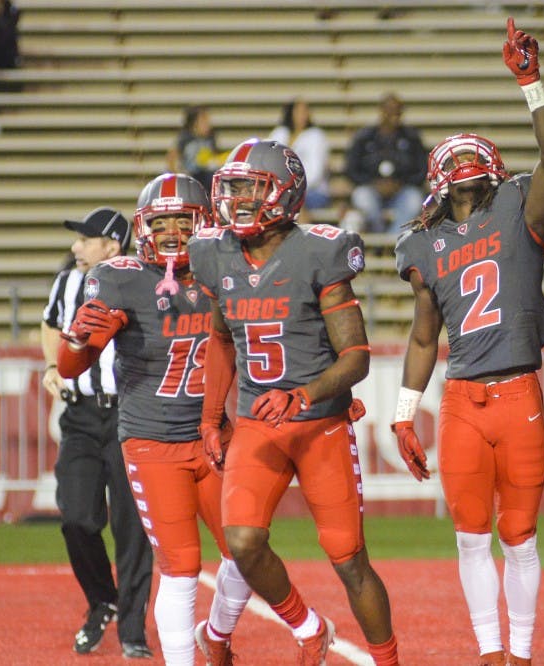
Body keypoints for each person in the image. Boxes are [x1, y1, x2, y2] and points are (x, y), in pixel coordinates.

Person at [391, 18, 544, 666]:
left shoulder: (521, 208)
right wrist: (406, 413)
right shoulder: (423, 243)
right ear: (443, 179)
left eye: (474, 167)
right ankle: (491, 654)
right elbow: (422, 334)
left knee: (518, 534)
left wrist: (532, 84)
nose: (467, 174)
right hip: (464, 399)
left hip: (517, 389)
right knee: (470, 536)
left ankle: (519, 654)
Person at [190, 138, 401, 666]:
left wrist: (303, 394)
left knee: (348, 559)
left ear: (284, 194)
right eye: (232, 188)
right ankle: (309, 627)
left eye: (249, 188)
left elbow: (356, 356)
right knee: (241, 540)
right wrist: (211, 416)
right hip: (259, 423)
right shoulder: (216, 255)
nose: (236, 199)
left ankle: (390, 659)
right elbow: (219, 338)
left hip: (319, 423)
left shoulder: (319, 252)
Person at [56, 174, 252, 666]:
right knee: (182, 566)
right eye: (159, 221)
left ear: (203, 223)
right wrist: (79, 338)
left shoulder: (227, 266)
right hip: (153, 440)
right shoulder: (121, 277)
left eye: (180, 221)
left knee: (249, 551)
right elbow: (69, 365)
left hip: (212, 434)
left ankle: (216, 633)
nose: (169, 232)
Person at [41, 207, 154, 659]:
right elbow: (51, 324)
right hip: (83, 415)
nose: (75, 247)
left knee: (133, 528)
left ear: (112, 246)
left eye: (85, 239)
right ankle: (102, 599)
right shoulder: (68, 281)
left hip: (131, 415)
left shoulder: (143, 279)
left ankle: (132, 630)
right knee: (75, 516)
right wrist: (52, 364)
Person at [344, 92, 427, 235]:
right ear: (382, 111)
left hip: (402, 190)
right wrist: (373, 183)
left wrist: (400, 183)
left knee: (414, 200)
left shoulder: (412, 138)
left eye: (397, 110)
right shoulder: (364, 137)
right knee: (362, 197)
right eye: (390, 110)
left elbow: (422, 170)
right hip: (371, 188)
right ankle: (378, 234)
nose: (394, 114)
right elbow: (351, 170)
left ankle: (393, 241)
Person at [268, 97, 331, 215]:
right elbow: (269, 161)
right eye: (299, 112)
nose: (303, 115)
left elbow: (316, 173)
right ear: (290, 112)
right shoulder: (279, 133)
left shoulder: (317, 136)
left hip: (313, 191)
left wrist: (293, 188)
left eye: (305, 111)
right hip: (280, 189)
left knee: (292, 201)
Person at [166, 106, 227, 193]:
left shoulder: (210, 137)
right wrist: (179, 176)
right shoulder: (185, 137)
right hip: (189, 176)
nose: (208, 123)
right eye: (204, 120)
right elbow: (172, 158)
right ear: (194, 123)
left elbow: (214, 156)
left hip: (205, 177)